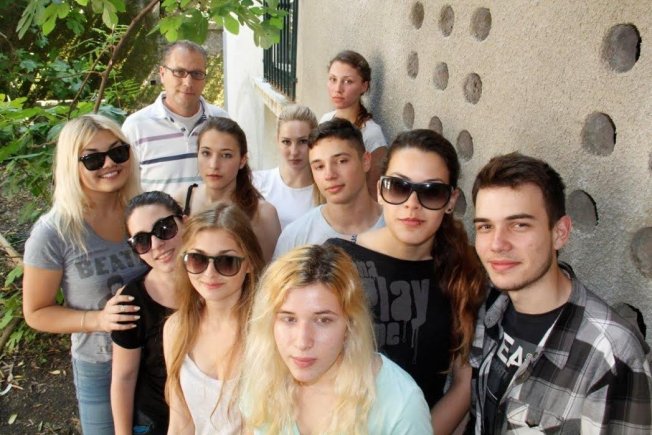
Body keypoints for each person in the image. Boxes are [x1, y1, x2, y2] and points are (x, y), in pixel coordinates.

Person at [469, 152, 652, 434]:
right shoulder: (488, 305)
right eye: (485, 226)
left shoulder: (611, 354)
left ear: (560, 232)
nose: (497, 244)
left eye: (519, 225)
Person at [327, 129, 486, 433]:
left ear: (451, 200)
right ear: (380, 190)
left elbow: (464, 385)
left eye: (431, 191)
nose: (412, 204)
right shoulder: (337, 260)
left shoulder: (464, 272)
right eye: (398, 187)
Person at [22, 114, 147, 435]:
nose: (110, 163)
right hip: (100, 364)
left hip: (156, 357)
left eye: (118, 152)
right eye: (93, 159)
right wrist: (98, 320)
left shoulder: (144, 214)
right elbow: (36, 312)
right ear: (71, 165)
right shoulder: (54, 233)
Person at [241, 244, 433, 434]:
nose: (302, 342)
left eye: (323, 320)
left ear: (350, 324)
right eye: (289, 319)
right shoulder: (263, 377)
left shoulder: (400, 405)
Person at [163, 204, 264, 434]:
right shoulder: (176, 328)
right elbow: (180, 423)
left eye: (226, 261)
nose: (209, 273)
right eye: (197, 259)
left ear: (249, 263)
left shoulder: (267, 330)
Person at [111, 192, 185, 435]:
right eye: (142, 240)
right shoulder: (132, 301)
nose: (156, 245)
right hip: (157, 422)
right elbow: (124, 377)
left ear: (185, 221)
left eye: (164, 228)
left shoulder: (215, 279)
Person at [122, 40, 228, 194]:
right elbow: (125, 190)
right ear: (162, 74)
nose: (188, 82)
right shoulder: (136, 127)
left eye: (196, 74)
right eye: (179, 72)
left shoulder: (221, 121)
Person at [173, 116, 281, 262]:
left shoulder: (263, 214)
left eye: (226, 155)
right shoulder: (181, 201)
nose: (214, 164)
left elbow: (270, 273)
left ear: (242, 160)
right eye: (206, 153)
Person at [273, 118, 383, 258]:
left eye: (341, 161)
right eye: (319, 166)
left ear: (365, 161)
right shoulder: (295, 237)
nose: (329, 175)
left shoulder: (399, 227)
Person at [321, 50, 387, 196]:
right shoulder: (325, 120)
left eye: (348, 81)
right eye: (333, 79)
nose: (338, 89)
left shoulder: (371, 134)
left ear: (364, 86)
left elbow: (374, 192)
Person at [253, 104, 318, 229]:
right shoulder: (257, 183)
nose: (294, 152)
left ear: (315, 141)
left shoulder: (327, 191)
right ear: (277, 140)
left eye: (302, 141)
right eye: (286, 142)